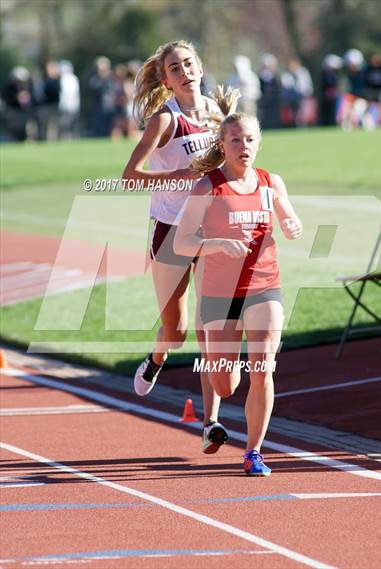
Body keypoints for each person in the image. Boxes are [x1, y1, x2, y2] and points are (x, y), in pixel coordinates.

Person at [122, 40, 239, 453]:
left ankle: (211, 423)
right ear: (166, 79)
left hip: (210, 231)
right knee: (176, 331)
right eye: (175, 67)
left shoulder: (219, 114)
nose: (185, 71)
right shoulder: (165, 121)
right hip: (170, 230)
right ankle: (156, 358)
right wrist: (178, 174)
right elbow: (130, 175)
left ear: (201, 66)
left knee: (210, 329)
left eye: (189, 63)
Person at [174, 112, 302, 475]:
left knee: (262, 370)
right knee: (225, 384)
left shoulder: (270, 182)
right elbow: (181, 242)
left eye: (248, 139)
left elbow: (290, 216)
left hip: (264, 286)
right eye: (235, 140)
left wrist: (292, 224)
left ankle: (253, 452)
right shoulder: (207, 187)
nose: (243, 147)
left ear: (258, 142)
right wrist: (217, 243)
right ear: (222, 145)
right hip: (220, 293)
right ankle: (214, 407)